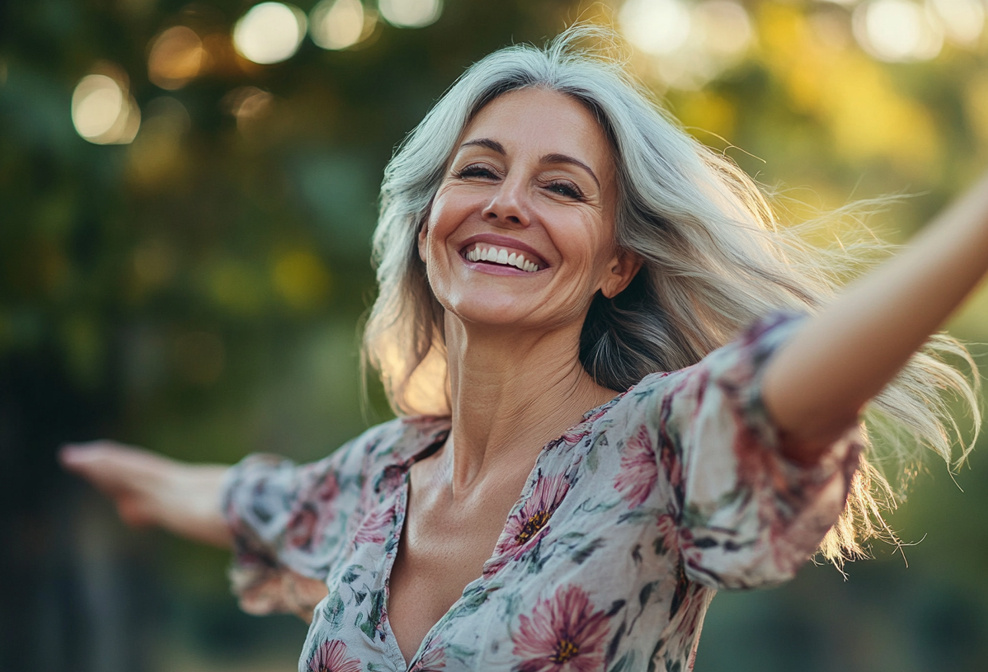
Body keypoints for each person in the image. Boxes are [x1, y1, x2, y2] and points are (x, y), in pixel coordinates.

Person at [61, 27, 986, 672]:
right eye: (479, 170)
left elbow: (793, 384)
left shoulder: (651, 451)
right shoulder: (385, 472)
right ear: (429, 223)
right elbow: (245, 500)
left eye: (562, 188)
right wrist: (112, 472)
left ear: (618, 263)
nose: (508, 204)